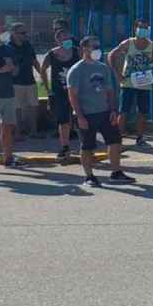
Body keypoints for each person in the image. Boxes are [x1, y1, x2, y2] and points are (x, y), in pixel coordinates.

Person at [66, 36, 135, 187]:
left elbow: (109, 91)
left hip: (105, 112)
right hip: (86, 113)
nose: (97, 49)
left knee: (115, 141)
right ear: (85, 49)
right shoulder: (77, 70)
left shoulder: (102, 67)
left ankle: (116, 172)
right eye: (94, 46)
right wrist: (80, 116)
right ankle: (89, 176)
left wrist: (112, 110)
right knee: (87, 146)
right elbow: (73, 95)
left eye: (98, 45)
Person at [108, 18, 153, 147]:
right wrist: (117, 74)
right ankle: (118, 138)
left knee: (143, 112)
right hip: (128, 82)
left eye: (146, 28)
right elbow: (111, 55)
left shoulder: (151, 44)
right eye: (141, 27)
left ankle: (140, 137)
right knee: (124, 111)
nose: (143, 30)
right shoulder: (128, 43)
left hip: (144, 82)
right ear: (135, 29)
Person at [40, 28, 79, 163]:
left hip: (77, 91)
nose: (65, 39)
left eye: (67, 36)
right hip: (60, 92)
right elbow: (42, 69)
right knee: (63, 120)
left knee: (82, 117)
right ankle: (65, 147)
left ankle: (87, 145)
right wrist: (48, 88)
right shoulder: (52, 54)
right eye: (62, 37)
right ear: (57, 40)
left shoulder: (77, 51)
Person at [0, 30, 18, 167]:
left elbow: (14, 69)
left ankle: (8, 158)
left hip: (8, 93)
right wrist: (5, 67)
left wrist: (7, 67)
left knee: (7, 128)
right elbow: (7, 67)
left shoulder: (9, 49)